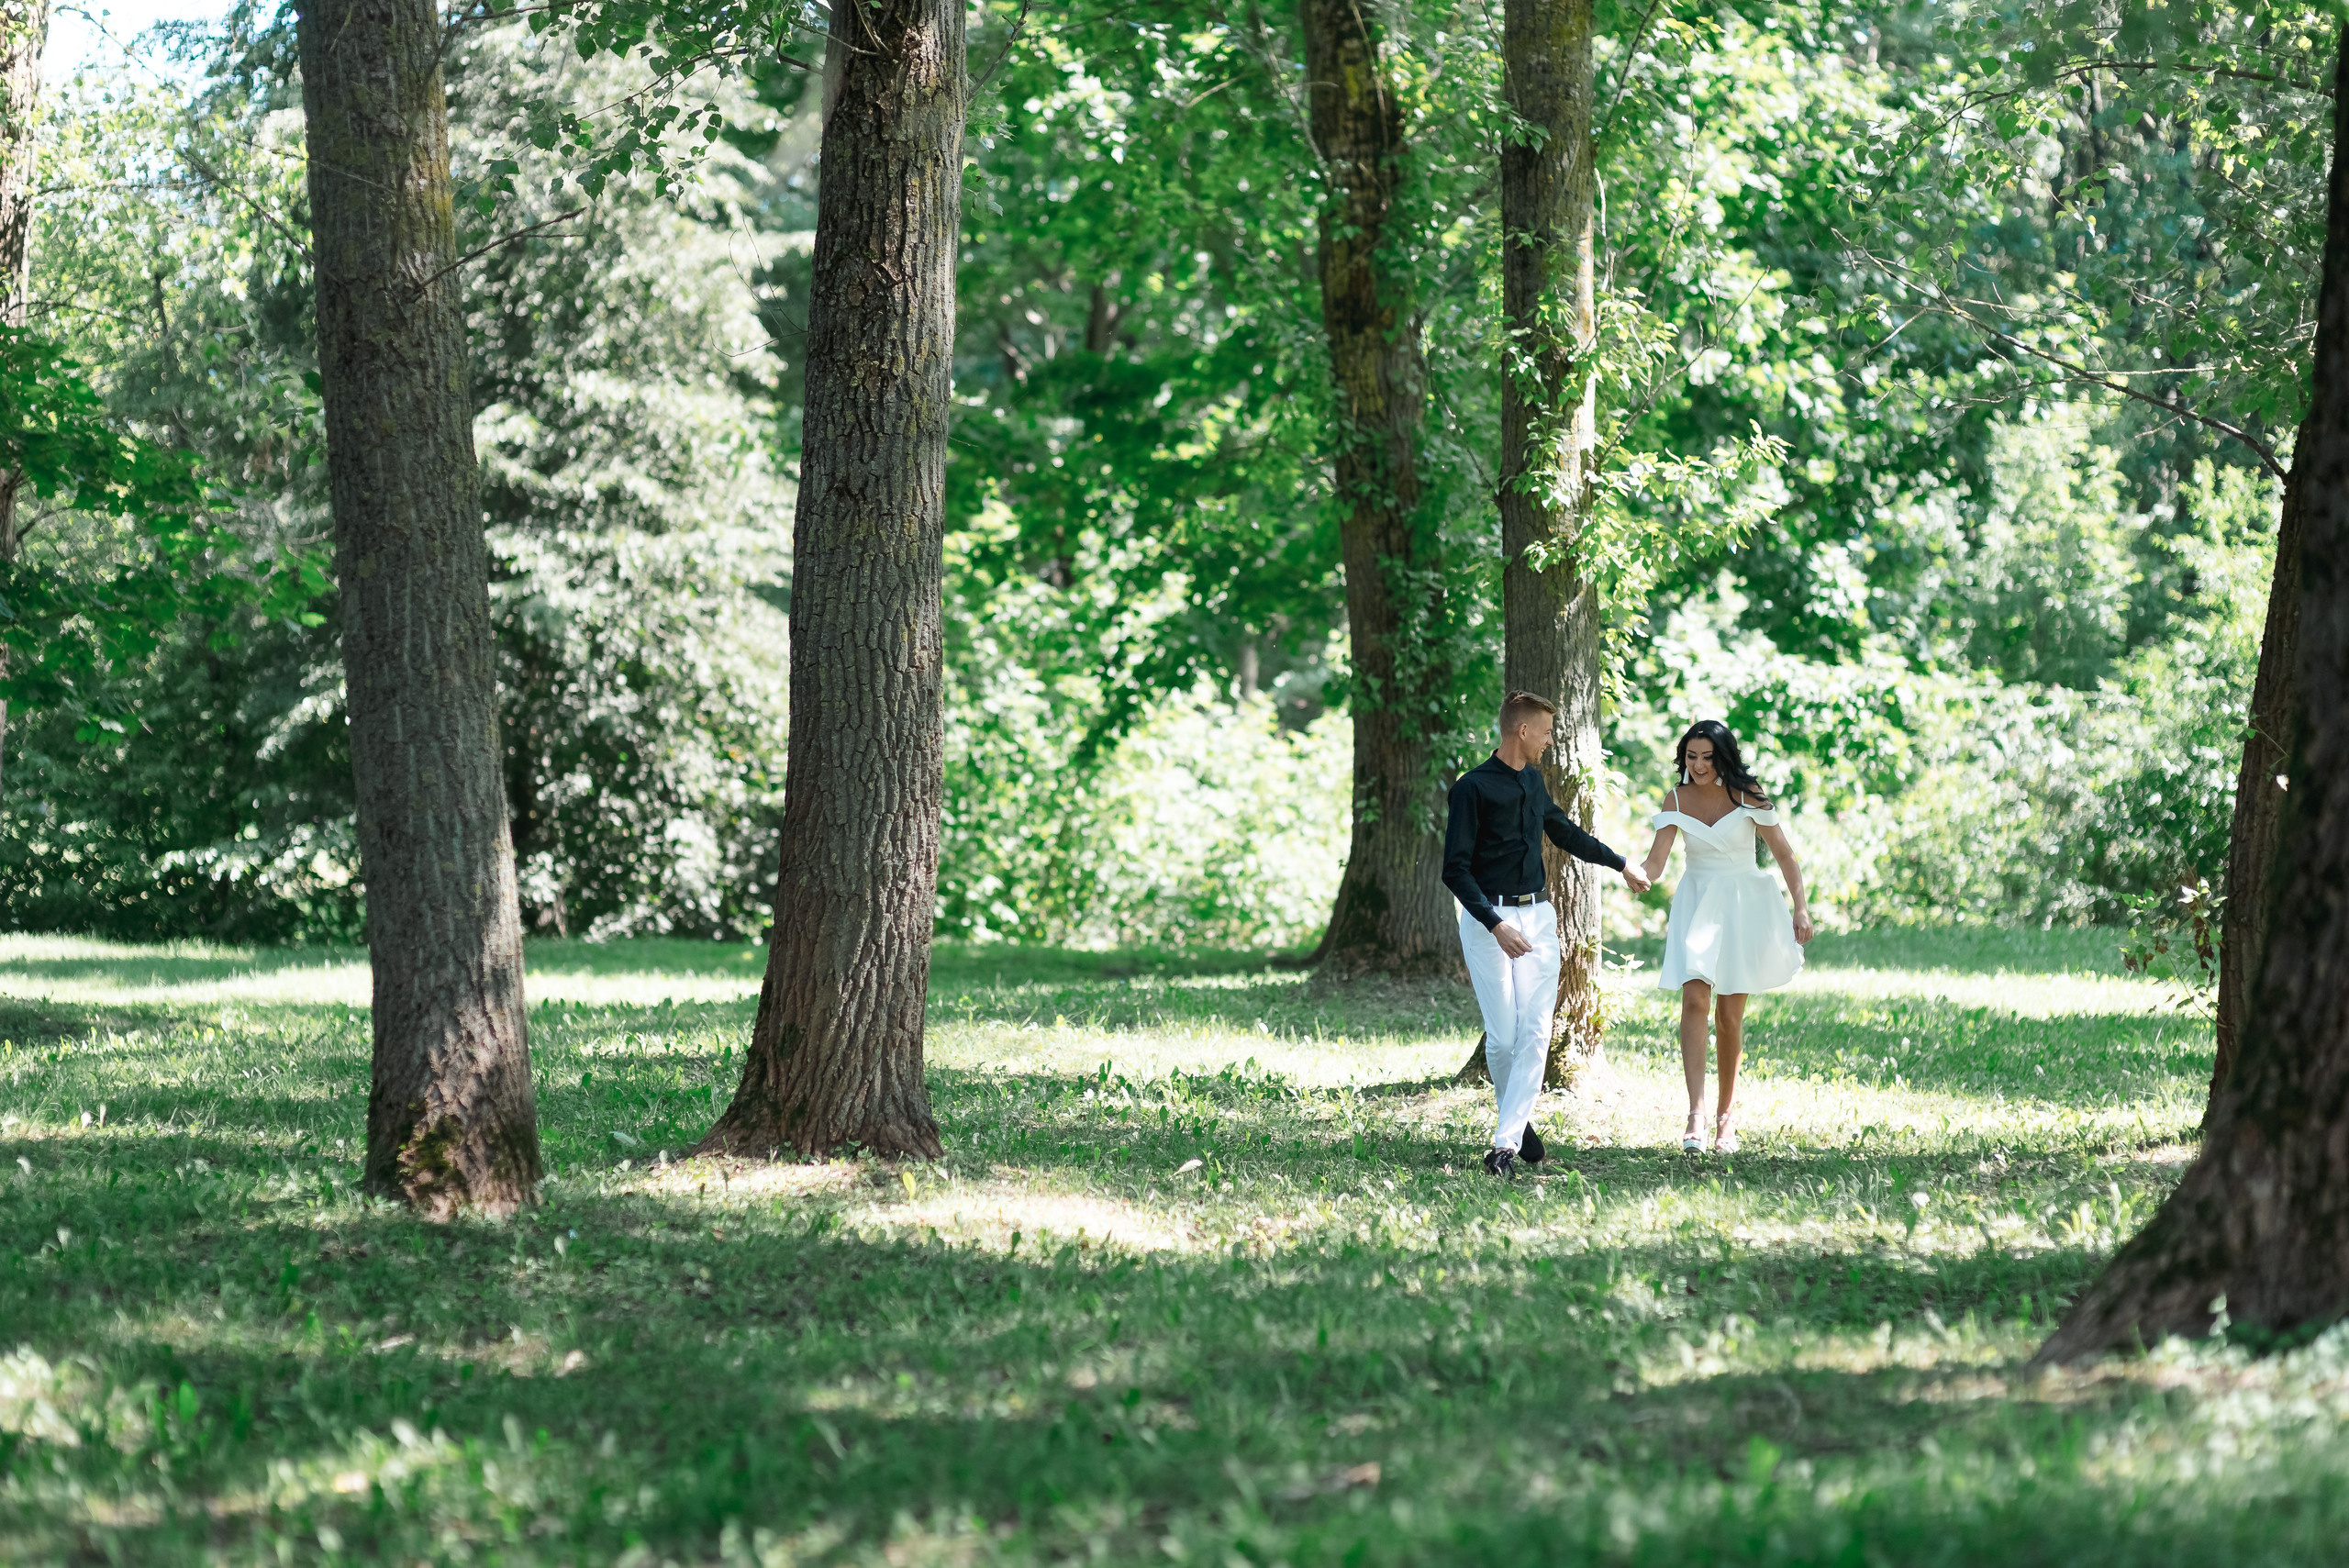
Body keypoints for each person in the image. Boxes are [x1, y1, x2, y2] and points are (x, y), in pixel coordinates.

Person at [1443, 691, 1652, 1178]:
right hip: (1487, 920)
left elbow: (1565, 832)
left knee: (1536, 1033)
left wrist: (1621, 863)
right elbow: (1454, 869)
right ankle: (1517, 1122)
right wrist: (1495, 925)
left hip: (1538, 919)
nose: (1549, 740)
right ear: (1522, 732)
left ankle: (1503, 1145)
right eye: (1545, 731)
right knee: (1502, 1038)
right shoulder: (1471, 789)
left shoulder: (1534, 783)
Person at [1635, 719, 1813, 1155]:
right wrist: (1635, 874)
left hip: (1742, 907)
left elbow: (1785, 855)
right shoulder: (1676, 798)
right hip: (1697, 901)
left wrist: (1801, 907)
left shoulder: (1748, 794)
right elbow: (1656, 860)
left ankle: (1725, 1119)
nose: (1697, 765)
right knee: (1694, 1000)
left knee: (1729, 1017)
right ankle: (1695, 1114)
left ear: (1723, 756)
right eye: (1691, 757)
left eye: (1707, 757)